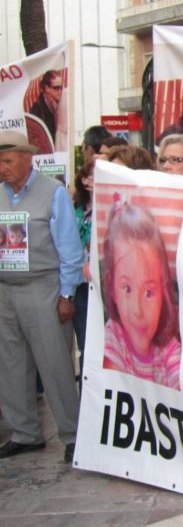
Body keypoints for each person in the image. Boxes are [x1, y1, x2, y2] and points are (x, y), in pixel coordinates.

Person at [0, 131, 85, 462]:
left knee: (55, 364)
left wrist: (67, 293)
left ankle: (72, 433)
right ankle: (25, 432)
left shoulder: (53, 192)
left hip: (43, 287)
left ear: (27, 158)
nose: (3, 168)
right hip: (6, 289)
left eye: (7, 161)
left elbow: (70, 249)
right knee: (10, 364)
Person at [101, 200, 181, 390]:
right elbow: (112, 389)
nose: (138, 310)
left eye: (149, 293)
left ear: (164, 292)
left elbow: (180, 381)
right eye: (127, 289)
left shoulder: (168, 349)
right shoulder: (113, 338)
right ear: (112, 288)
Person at [72, 159, 95, 374]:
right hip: (79, 282)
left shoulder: (109, 203)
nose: (89, 180)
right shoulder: (76, 205)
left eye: (94, 176)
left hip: (98, 281)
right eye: (86, 175)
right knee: (84, 339)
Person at [29, 69, 64, 143]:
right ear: (47, 88)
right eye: (56, 88)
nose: (60, 91)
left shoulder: (59, 104)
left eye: (61, 87)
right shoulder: (37, 110)